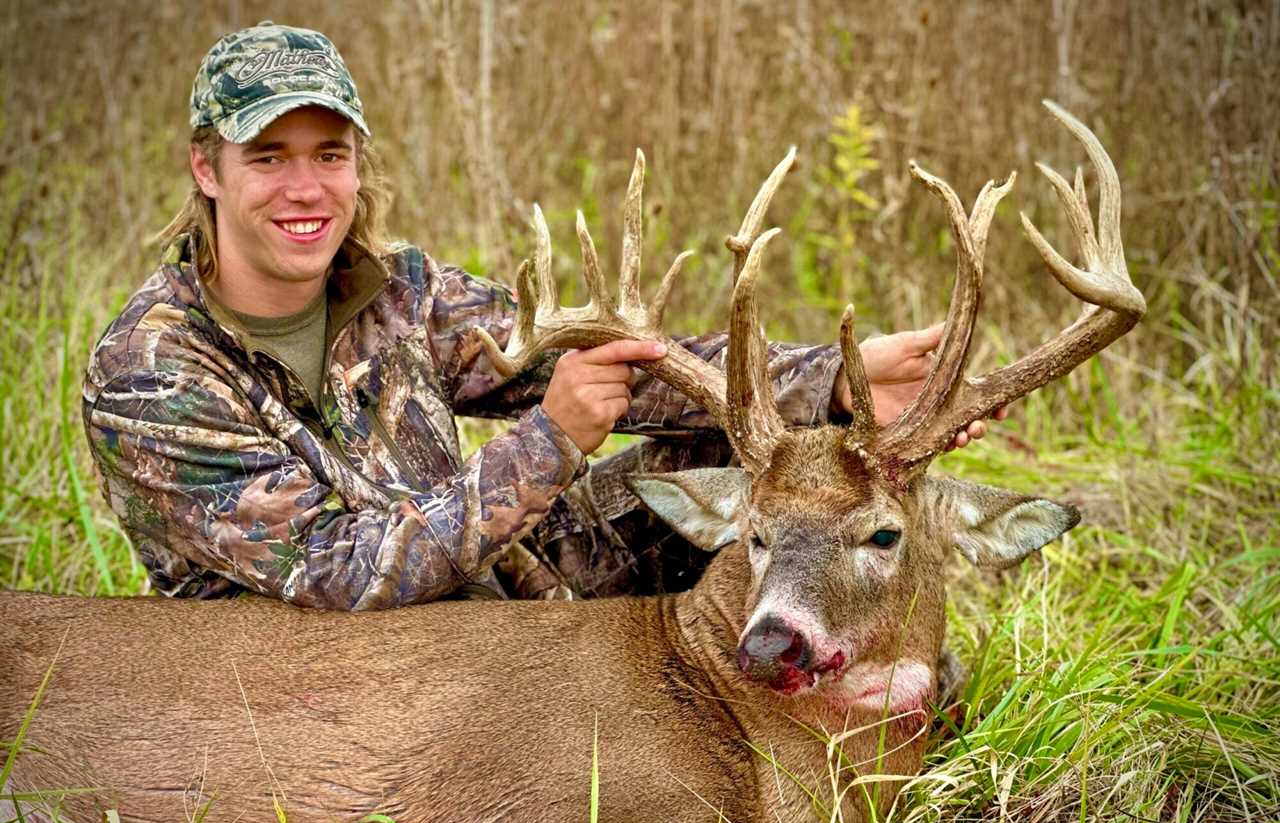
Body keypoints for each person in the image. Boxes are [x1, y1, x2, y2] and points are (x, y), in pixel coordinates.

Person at [83, 22, 999, 611]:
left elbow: (630, 370)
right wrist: (551, 437)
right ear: (207, 169)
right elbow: (335, 575)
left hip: (490, 590)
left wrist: (829, 383)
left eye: (329, 154)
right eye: (268, 158)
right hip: (326, 683)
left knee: (739, 454)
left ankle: (832, 669)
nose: (305, 189)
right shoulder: (151, 372)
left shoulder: (397, 290)